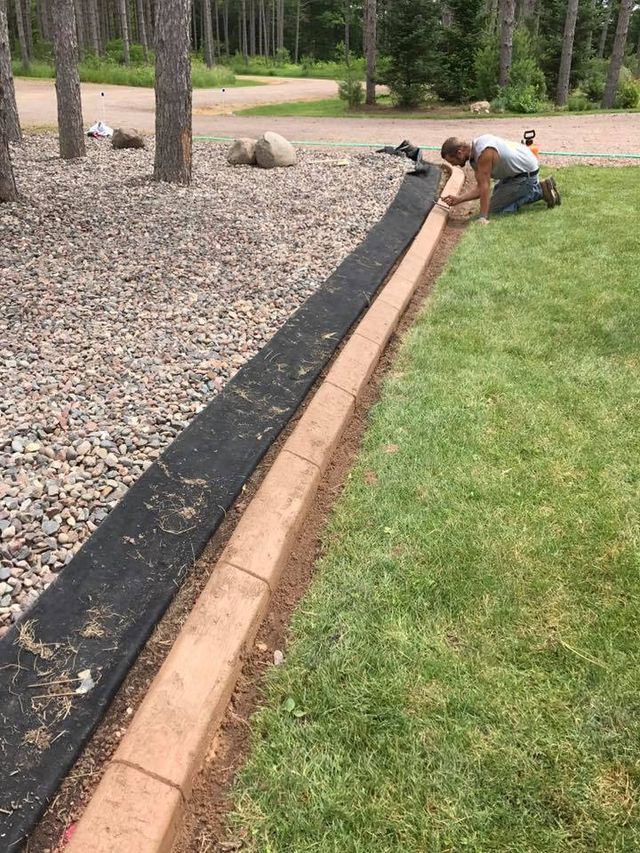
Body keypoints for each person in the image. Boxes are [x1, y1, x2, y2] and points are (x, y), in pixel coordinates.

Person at [440, 134, 560, 223]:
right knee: (494, 200)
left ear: (460, 153)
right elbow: (480, 188)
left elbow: (485, 187)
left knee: (494, 209)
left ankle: (539, 191)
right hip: (516, 173)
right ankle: (538, 188)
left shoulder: (484, 153)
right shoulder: (475, 153)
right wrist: (458, 199)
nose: (453, 165)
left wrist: (483, 217)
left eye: (452, 161)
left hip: (526, 175)